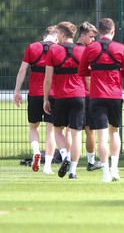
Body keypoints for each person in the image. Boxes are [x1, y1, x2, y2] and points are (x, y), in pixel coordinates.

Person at [78, 18, 124, 182]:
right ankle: (115, 169)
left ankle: (105, 173)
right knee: (115, 131)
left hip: (97, 96)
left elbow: (82, 70)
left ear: (99, 31)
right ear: (112, 31)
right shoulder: (120, 48)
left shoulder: (91, 48)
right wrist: (116, 73)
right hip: (115, 96)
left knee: (102, 136)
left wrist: (96, 72)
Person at [44, 21, 86, 179]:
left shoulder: (53, 51)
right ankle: (73, 171)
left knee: (57, 130)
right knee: (76, 135)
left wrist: (45, 99)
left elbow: (48, 79)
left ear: (62, 34)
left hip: (61, 97)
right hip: (79, 96)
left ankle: (65, 155)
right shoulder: (82, 51)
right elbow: (88, 74)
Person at [13, 26, 58, 174]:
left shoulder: (32, 47)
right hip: (52, 94)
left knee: (34, 127)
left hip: (34, 94)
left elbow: (22, 70)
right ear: (57, 37)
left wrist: (17, 91)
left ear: (44, 35)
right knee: (51, 131)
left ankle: (36, 152)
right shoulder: (58, 49)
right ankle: (48, 167)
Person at [76, 21, 101, 171]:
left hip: (68, 95)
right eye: (91, 37)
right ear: (83, 35)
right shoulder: (85, 52)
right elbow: (87, 77)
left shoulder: (69, 49)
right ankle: (91, 162)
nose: (93, 41)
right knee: (90, 130)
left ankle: (68, 158)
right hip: (85, 94)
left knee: (70, 130)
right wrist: (93, 95)